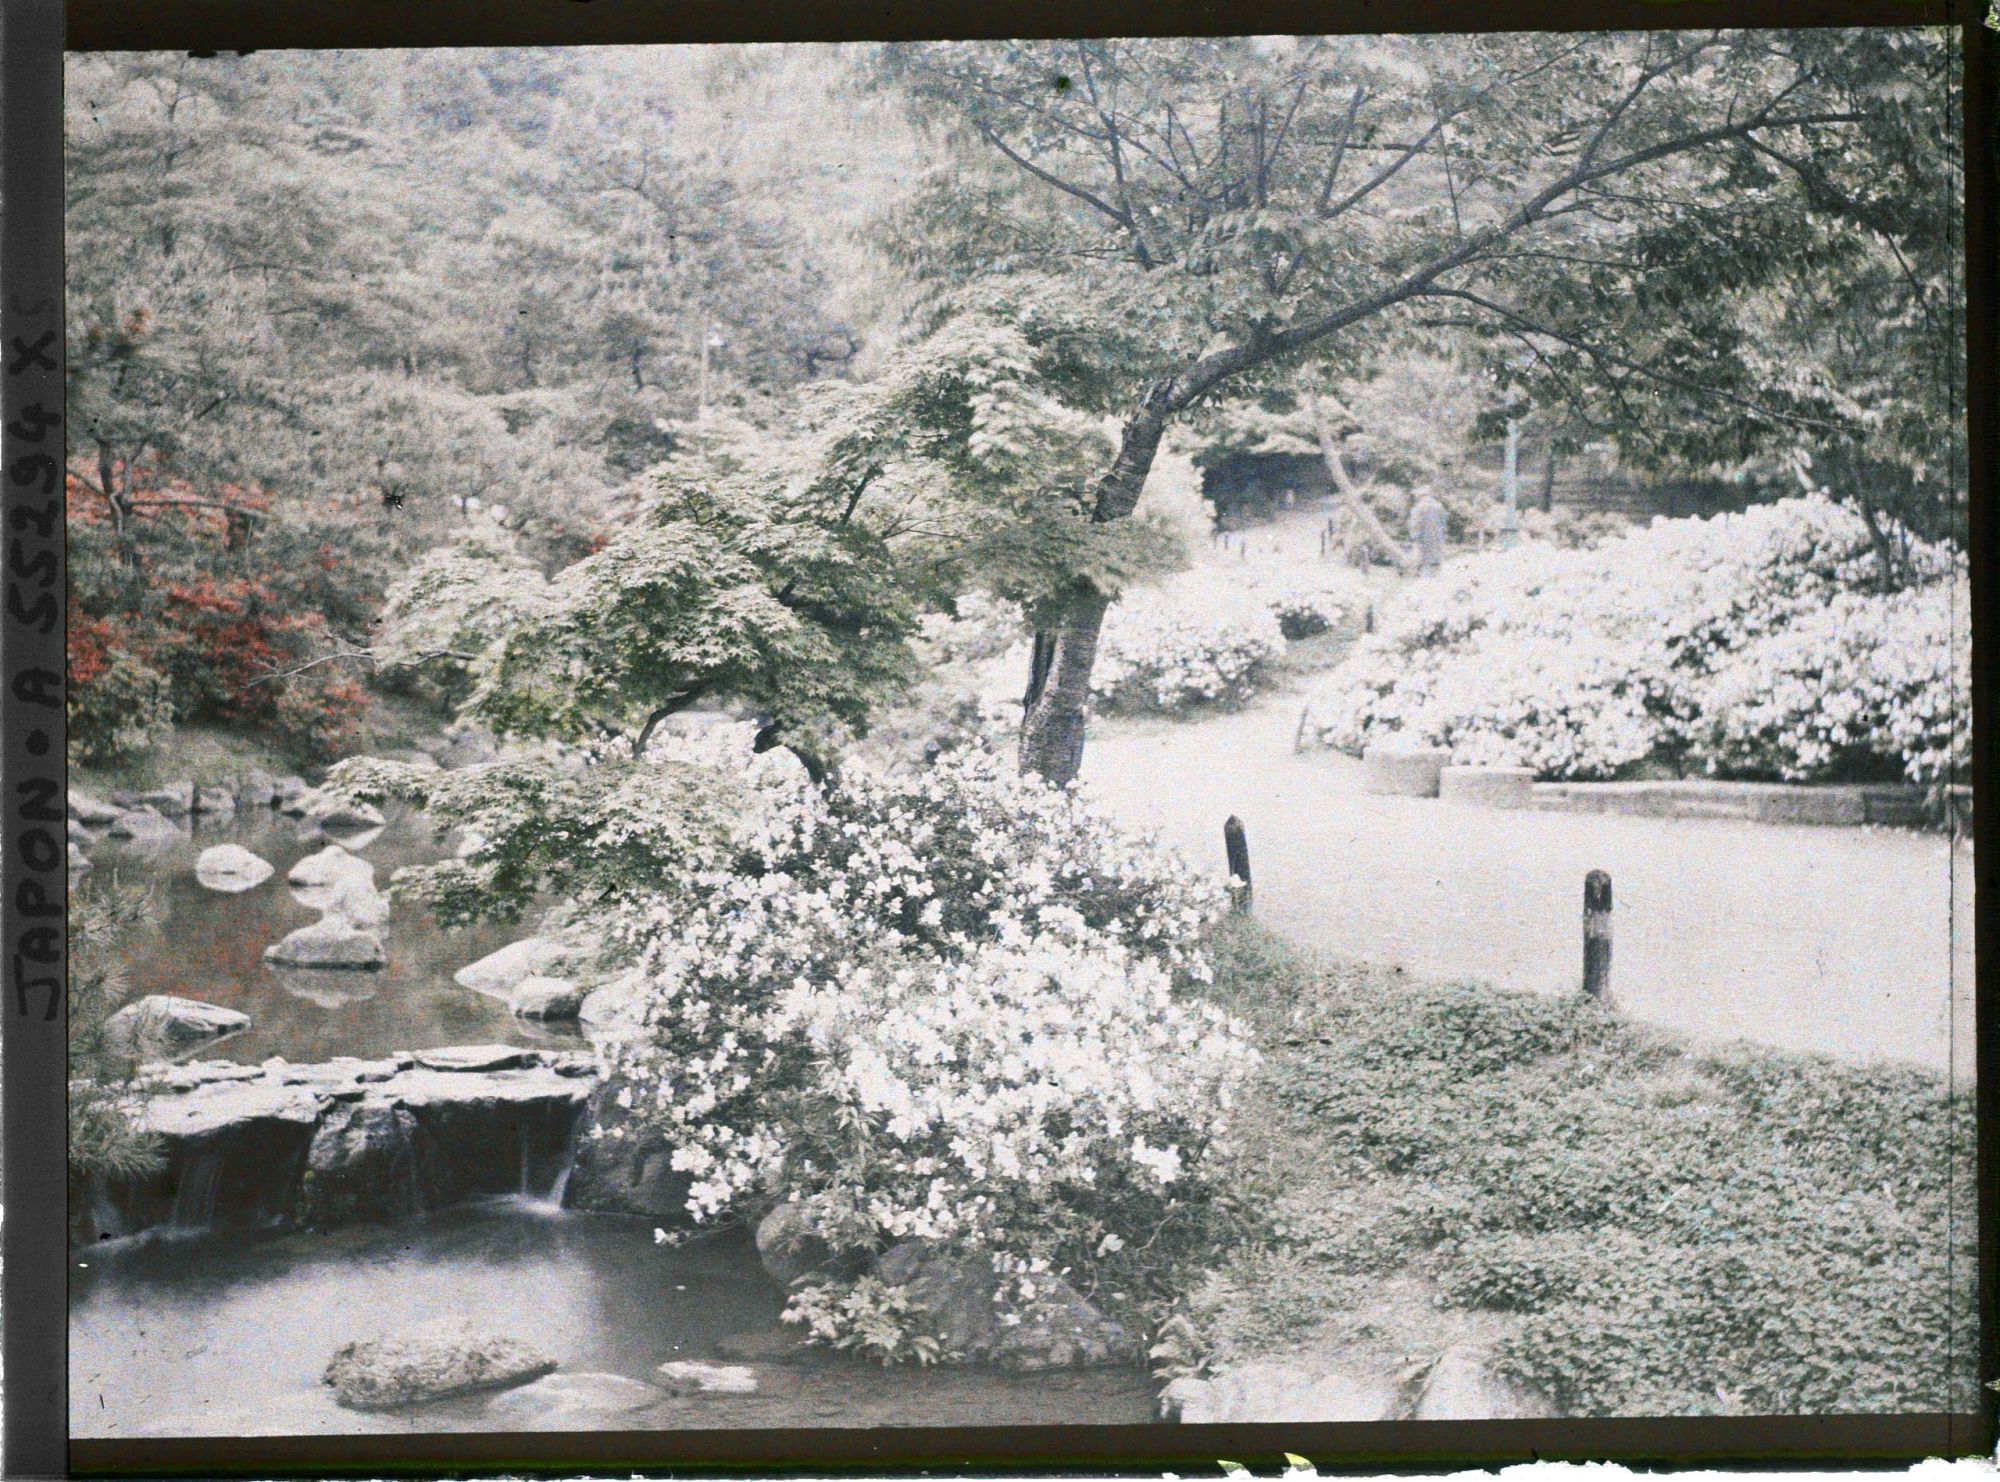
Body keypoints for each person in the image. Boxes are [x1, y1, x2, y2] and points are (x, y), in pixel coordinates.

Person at [1407, 487, 1447, 576]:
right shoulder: (1439, 506)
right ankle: (1435, 573)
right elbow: (1444, 520)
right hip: (1436, 535)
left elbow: (1414, 523)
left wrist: (1413, 535)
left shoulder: (1418, 507)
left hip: (1422, 536)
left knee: (1420, 556)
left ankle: (1418, 573)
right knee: (1435, 555)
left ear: (1420, 495)